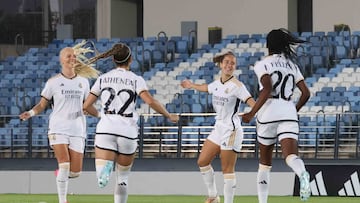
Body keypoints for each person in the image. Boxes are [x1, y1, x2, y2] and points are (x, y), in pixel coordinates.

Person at [82, 43, 179, 203]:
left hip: (106, 128)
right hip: (128, 131)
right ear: (131, 60)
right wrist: (168, 115)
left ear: (113, 59)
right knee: (123, 177)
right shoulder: (136, 79)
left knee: (102, 170)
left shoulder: (103, 78)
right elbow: (150, 101)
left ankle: (103, 171)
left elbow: (86, 105)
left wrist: (100, 115)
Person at [19, 44, 99, 203]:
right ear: (61, 60)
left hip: (78, 129)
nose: (72, 58)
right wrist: (31, 112)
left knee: (75, 172)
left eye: (74, 56)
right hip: (58, 128)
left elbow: (87, 105)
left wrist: (100, 115)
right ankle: (63, 200)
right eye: (69, 56)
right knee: (64, 165)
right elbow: (42, 104)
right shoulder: (53, 82)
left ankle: (61, 175)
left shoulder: (83, 82)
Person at [241, 28, 311, 203]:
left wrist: (251, 113)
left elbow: (267, 89)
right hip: (288, 111)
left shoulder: (262, 64)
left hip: (268, 113)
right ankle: (302, 173)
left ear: (268, 45)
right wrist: (292, 110)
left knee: (264, 163)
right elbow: (306, 93)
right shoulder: (292, 66)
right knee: (290, 156)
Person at [181, 50, 256, 203]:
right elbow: (206, 88)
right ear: (221, 64)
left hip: (231, 129)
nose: (229, 65)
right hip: (219, 127)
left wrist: (251, 114)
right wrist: (191, 85)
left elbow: (252, 103)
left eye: (232, 63)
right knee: (202, 161)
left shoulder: (237, 86)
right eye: (227, 62)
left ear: (235, 67)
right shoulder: (216, 84)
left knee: (227, 170)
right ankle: (214, 196)